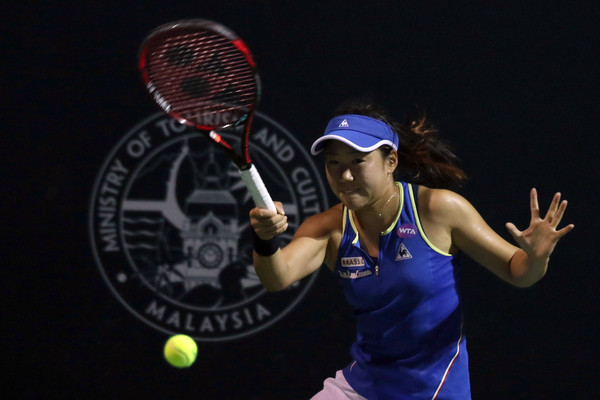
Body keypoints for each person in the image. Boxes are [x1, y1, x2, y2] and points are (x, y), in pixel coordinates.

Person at [249, 99, 574, 400]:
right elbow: (277, 277)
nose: (344, 175)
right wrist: (264, 238)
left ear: (391, 161)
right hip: (363, 386)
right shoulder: (328, 228)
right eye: (333, 163)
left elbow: (519, 272)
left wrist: (535, 256)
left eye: (358, 161)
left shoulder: (438, 210)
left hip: (433, 388)